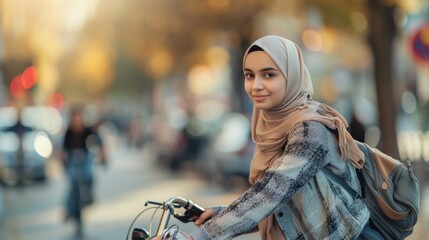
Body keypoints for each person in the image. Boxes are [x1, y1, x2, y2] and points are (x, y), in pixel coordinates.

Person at [154, 35, 382, 239]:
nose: (256, 86)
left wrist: (198, 238)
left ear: (291, 75)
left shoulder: (311, 129)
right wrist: (222, 213)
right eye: (249, 75)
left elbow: (272, 193)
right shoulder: (271, 127)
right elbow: (276, 201)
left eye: (269, 74)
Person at [61, 105, 107, 238]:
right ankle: (70, 209)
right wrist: (62, 159)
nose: (77, 121)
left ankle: (88, 197)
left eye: (79, 118)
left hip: (85, 162)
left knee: (91, 176)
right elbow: (62, 151)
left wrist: (103, 155)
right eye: (74, 118)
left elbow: (100, 144)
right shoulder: (68, 132)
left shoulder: (88, 130)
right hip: (72, 163)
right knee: (72, 184)